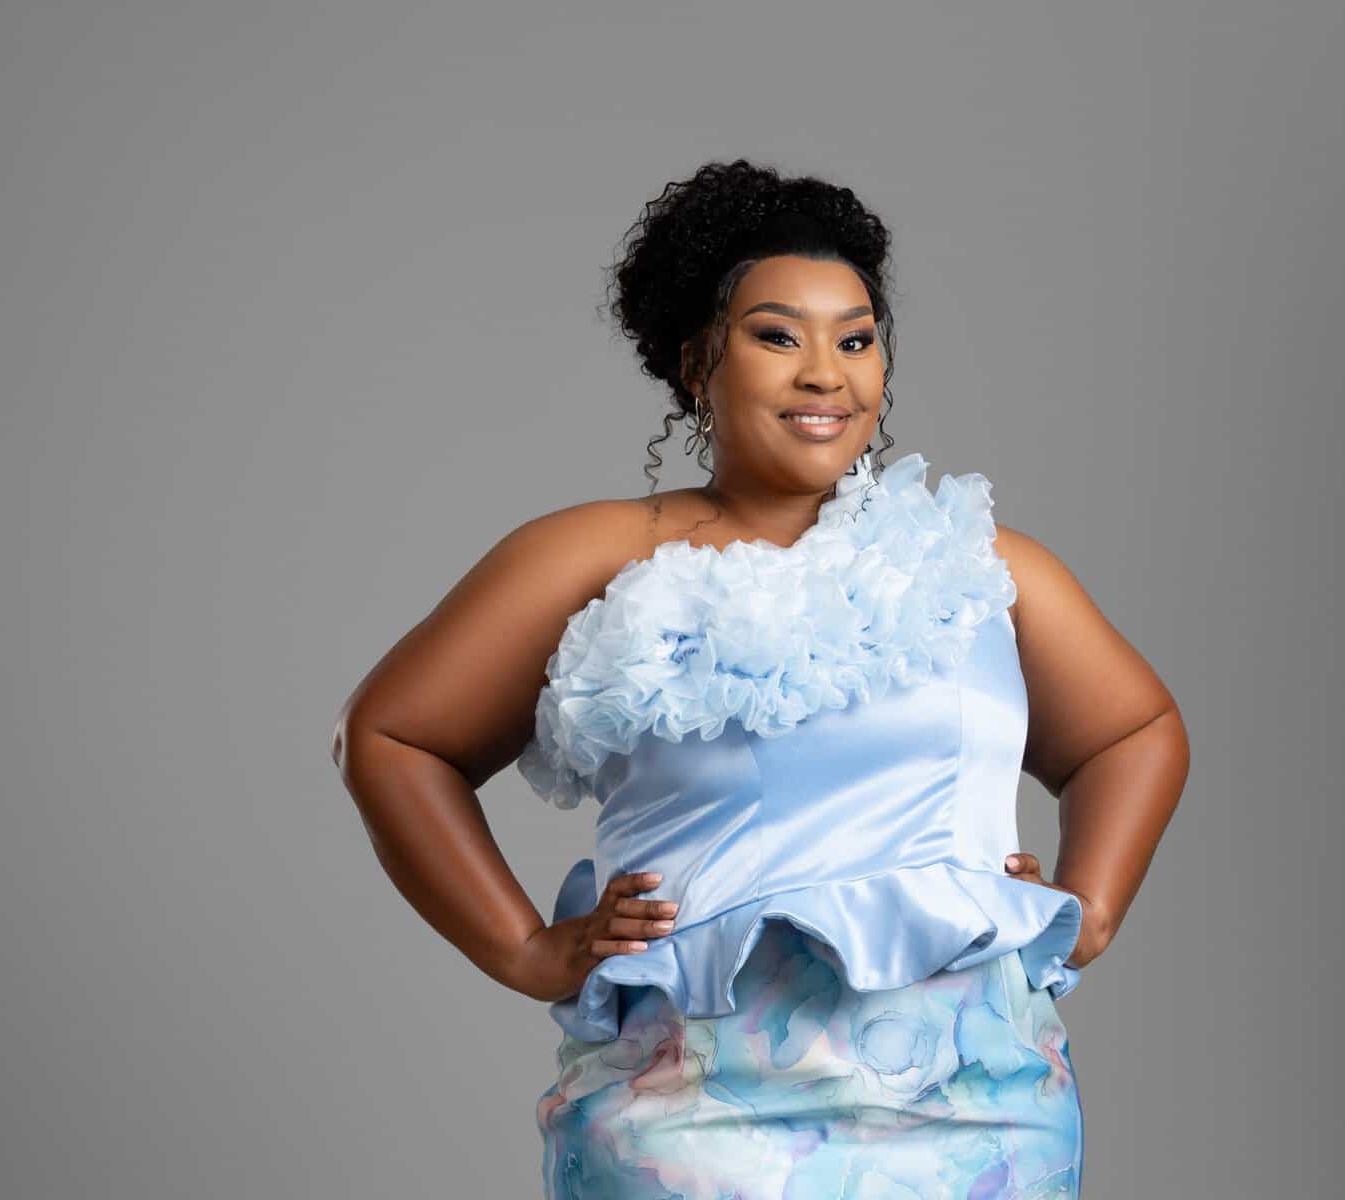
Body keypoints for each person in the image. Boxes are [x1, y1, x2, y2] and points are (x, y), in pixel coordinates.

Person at [332, 158, 1189, 1199]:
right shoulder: (594, 555)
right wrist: (522, 949)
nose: (826, 374)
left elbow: (1132, 731)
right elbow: (393, 737)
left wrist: (1089, 909)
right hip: (691, 1120)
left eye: (856, 340)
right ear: (698, 359)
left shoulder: (976, 563)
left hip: (982, 1109)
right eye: (778, 336)